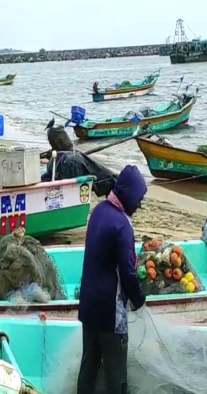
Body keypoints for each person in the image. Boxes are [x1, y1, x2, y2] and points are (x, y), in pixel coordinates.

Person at [76, 164, 147, 394]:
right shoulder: (122, 225)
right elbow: (127, 271)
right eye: (139, 198)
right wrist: (138, 297)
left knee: (89, 365)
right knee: (116, 374)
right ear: (129, 195)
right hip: (109, 311)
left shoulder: (99, 211)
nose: (139, 204)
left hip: (88, 306)